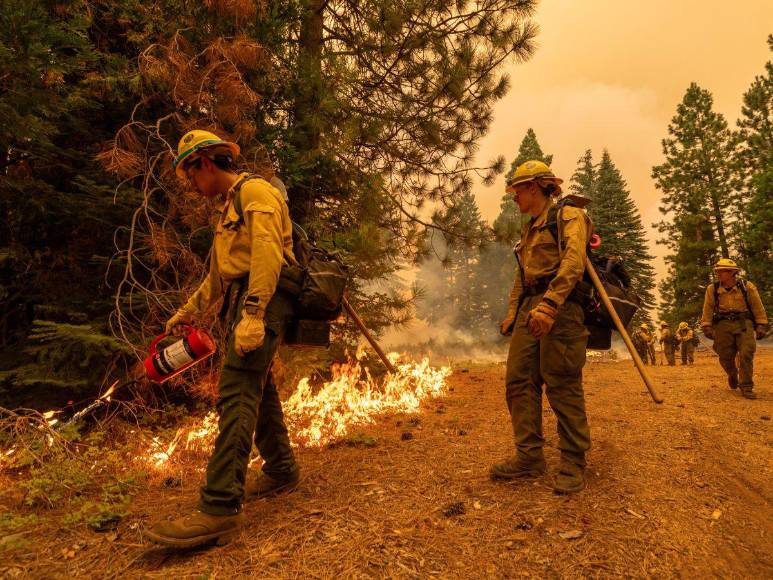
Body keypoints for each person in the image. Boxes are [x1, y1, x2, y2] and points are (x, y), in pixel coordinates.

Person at [146, 130, 300, 547]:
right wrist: (186, 312)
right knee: (257, 384)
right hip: (247, 296)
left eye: (190, 175)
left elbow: (268, 254)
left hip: (265, 296)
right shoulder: (228, 207)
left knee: (237, 390)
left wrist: (254, 314)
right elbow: (218, 276)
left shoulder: (256, 193)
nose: (191, 185)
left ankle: (219, 507)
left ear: (205, 163)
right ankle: (282, 469)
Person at [491, 160, 592, 495]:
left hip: (562, 306)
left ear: (533, 187)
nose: (513, 197)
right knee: (519, 380)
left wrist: (549, 305)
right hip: (530, 307)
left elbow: (574, 263)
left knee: (561, 381)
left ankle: (573, 461)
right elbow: (522, 277)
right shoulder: (530, 228)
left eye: (517, 190)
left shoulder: (568, 216)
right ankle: (529, 456)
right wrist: (513, 313)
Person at [700, 258, 769, 399]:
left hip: (744, 323)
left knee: (746, 352)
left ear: (732, 272)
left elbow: (757, 306)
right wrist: (706, 325)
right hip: (722, 324)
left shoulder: (747, 287)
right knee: (724, 355)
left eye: (722, 271)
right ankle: (732, 373)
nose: (718, 274)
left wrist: (761, 325)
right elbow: (708, 308)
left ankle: (746, 386)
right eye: (717, 271)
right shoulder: (712, 289)